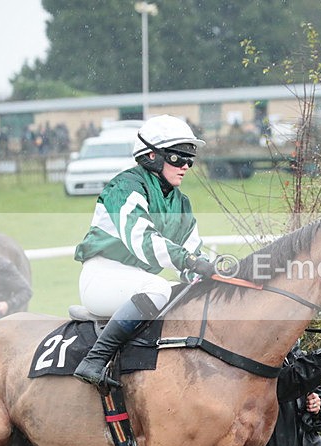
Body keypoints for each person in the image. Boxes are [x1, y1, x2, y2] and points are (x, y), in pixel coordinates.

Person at [73, 114, 217, 388]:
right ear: (152, 156)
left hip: (138, 283)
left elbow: (192, 252)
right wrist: (189, 261)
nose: (185, 166)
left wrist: (209, 270)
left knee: (191, 297)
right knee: (160, 289)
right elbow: (143, 240)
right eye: (178, 158)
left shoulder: (181, 202)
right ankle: (94, 360)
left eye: (190, 160)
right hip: (103, 277)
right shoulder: (125, 187)